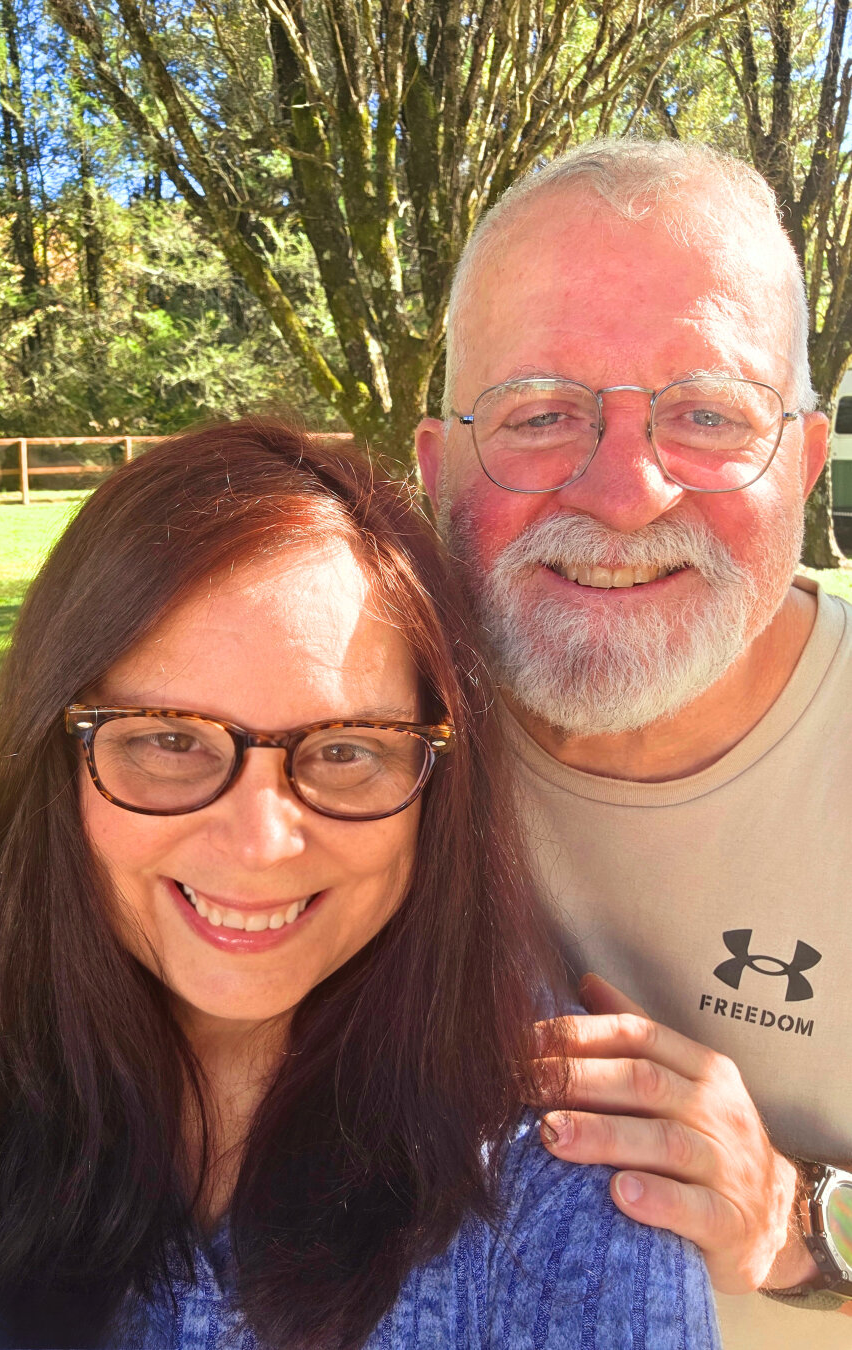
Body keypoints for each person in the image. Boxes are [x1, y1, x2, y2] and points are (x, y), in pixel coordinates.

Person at [0, 421, 718, 1349]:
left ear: (438, 786)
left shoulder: (570, 1173)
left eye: (343, 751)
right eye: (169, 740)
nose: (260, 843)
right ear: (54, 755)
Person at [414, 140, 850, 1349]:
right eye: (540, 413)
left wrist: (799, 1218)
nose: (622, 491)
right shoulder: (366, 728)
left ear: (804, 463)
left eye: (706, 415)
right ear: (439, 470)